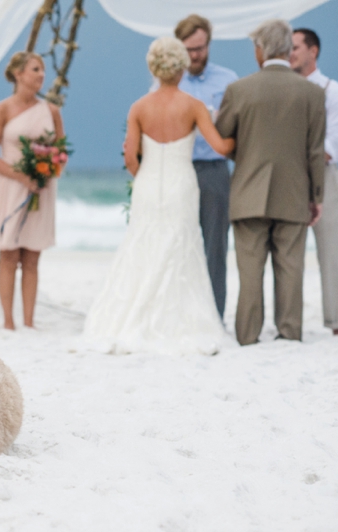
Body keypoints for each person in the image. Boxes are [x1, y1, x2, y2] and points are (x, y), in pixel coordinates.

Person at [82, 37, 235, 355]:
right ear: (180, 67)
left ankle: (133, 314)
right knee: (182, 246)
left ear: (154, 67)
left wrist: (145, 177)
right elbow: (220, 147)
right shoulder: (193, 106)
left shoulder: (139, 106)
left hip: (149, 185)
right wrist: (238, 137)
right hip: (182, 184)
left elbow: (130, 158)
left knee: (142, 244)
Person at [216, 19, 326, 346]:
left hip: (248, 191)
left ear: (260, 49)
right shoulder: (312, 93)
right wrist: (316, 196)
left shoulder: (239, 90)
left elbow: (222, 137)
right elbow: (315, 151)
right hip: (294, 192)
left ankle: (248, 335)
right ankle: (289, 332)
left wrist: (247, 157)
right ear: (285, 48)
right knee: (291, 268)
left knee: (250, 271)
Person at [0, 52, 64, 330]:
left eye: (42, 70)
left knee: (32, 255)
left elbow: (60, 151)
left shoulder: (51, 111)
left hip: (41, 188)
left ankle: (29, 321)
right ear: (18, 74)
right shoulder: (0, 110)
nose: (41, 75)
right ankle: (8, 321)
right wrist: (20, 176)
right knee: (9, 254)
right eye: (35, 69)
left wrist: (47, 172)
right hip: (8, 186)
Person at [173, 14, 238, 319]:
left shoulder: (228, 80)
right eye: (188, 49)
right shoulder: (169, 82)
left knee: (215, 247)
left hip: (214, 170)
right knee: (178, 244)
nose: (195, 55)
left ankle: (215, 316)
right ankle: (180, 313)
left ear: (209, 44)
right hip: (179, 169)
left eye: (200, 48)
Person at [291, 28, 338, 336]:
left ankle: (337, 321)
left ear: (313, 51)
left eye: (296, 47)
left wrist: (296, 152)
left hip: (324, 176)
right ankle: (290, 323)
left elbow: (335, 146)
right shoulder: (284, 89)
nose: (290, 52)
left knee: (330, 250)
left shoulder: (334, 92)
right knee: (289, 252)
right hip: (288, 178)